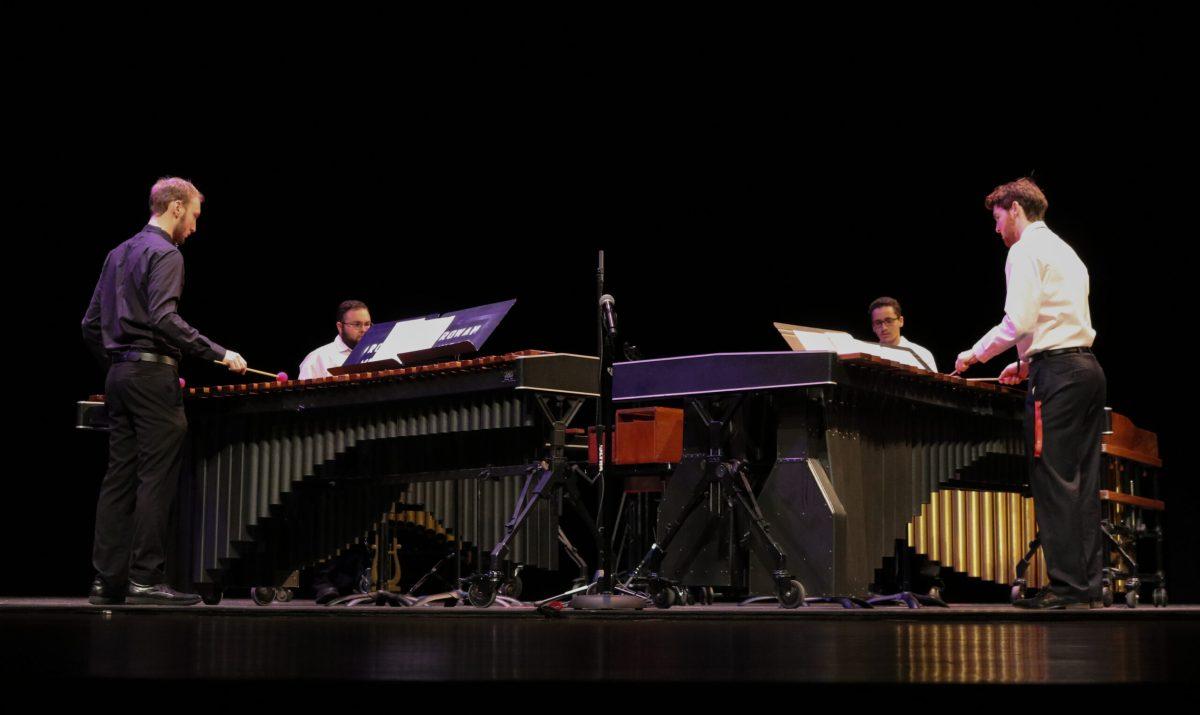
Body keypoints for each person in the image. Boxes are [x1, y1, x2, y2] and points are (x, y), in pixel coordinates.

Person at [82, 177, 248, 606]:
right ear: (176, 207)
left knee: (118, 479)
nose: (194, 226)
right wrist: (219, 353)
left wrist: (123, 366)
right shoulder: (166, 253)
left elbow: (90, 325)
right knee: (154, 479)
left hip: (118, 377)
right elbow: (163, 319)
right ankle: (144, 581)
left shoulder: (117, 252)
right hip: (150, 379)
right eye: (194, 215)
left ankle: (106, 583)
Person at [954, 177, 1105, 610]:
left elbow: (1017, 321)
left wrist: (974, 354)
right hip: (1087, 370)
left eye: (998, 218)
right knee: (1082, 482)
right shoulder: (1066, 251)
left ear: (1015, 209)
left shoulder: (1024, 250)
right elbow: (1057, 317)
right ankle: (1086, 587)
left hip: (1057, 375)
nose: (996, 229)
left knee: (1053, 480)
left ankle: (1065, 588)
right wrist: (1024, 364)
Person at [298, 300, 372, 379]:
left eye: (367, 324)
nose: (364, 330)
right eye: (357, 324)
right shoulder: (317, 358)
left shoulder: (377, 353)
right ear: (340, 327)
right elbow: (304, 391)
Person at [869, 296, 937, 371]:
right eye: (878, 323)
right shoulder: (868, 355)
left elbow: (934, 382)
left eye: (889, 321)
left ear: (901, 321)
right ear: (873, 327)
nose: (884, 328)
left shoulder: (922, 354)